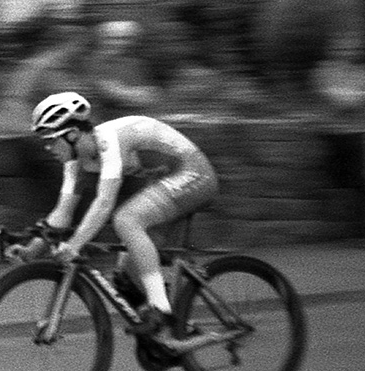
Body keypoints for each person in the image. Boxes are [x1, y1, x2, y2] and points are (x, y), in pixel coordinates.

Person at [22, 91, 219, 352]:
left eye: (49, 140)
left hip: (195, 174)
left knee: (126, 220)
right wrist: (31, 249)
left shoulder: (108, 141)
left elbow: (104, 203)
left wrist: (75, 245)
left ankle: (161, 310)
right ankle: (175, 336)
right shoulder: (74, 161)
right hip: (166, 182)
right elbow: (62, 212)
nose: (47, 148)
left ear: (71, 135)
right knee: (125, 276)